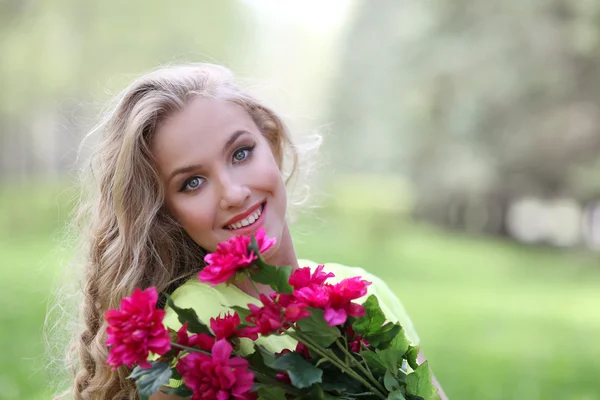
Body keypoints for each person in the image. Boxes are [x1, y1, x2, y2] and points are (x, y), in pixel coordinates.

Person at [64, 63, 447, 399]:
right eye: (192, 182)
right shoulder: (191, 327)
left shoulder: (367, 293)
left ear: (272, 141)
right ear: (167, 214)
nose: (233, 193)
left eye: (241, 153)